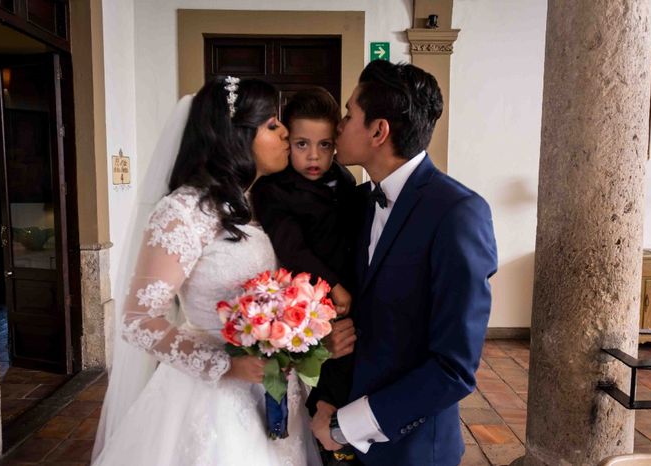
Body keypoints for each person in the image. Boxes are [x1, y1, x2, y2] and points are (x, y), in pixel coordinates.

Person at [91, 76, 322, 466]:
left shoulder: (245, 204)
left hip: (265, 385)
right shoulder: (184, 211)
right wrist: (226, 366)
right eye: (272, 124)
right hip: (210, 397)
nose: (286, 132)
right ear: (236, 136)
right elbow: (137, 319)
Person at [311, 60, 498, 466]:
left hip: (412, 451)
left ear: (378, 131)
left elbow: (454, 367)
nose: (338, 126)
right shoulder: (359, 203)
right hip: (339, 431)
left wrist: (346, 427)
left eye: (349, 115)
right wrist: (327, 398)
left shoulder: (458, 213)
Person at [250, 88, 359, 466]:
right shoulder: (272, 190)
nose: (314, 156)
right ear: (287, 141)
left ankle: (338, 440)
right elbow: (293, 249)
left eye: (324, 145)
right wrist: (334, 286)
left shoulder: (344, 178)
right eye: (301, 144)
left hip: (352, 292)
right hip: (312, 298)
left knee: (347, 379)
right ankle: (326, 442)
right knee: (325, 383)